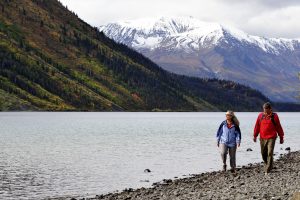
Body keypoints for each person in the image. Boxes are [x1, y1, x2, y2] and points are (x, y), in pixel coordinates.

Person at [253, 102, 284, 175]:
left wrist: (281, 137)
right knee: (263, 154)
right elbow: (257, 126)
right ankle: (269, 164)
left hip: (272, 137)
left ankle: (268, 169)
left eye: (266, 109)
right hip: (262, 137)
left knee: (270, 152)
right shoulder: (260, 116)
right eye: (264, 109)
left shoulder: (274, 116)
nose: (265, 110)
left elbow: (278, 127)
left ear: (270, 109)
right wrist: (255, 135)